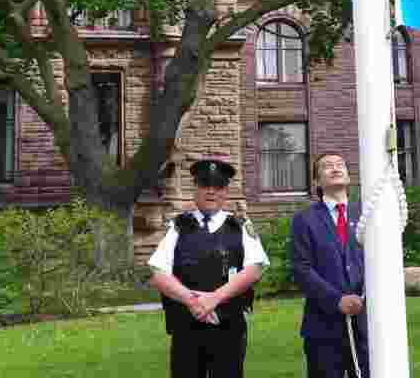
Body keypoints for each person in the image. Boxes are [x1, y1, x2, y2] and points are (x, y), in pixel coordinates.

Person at [148, 159, 269, 378]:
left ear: (226, 191)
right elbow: (158, 272)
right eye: (205, 185)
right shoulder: (178, 226)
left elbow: (255, 269)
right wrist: (192, 301)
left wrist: (214, 298)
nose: (211, 191)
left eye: (218, 186)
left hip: (228, 327)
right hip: (186, 326)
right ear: (195, 188)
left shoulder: (240, 225)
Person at [290, 153, 369, 378]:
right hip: (323, 327)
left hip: (367, 324)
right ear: (316, 181)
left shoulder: (368, 215)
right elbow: (301, 268)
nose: (335, 169)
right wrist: (336, 300)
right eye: (327, 166)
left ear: (349, 176)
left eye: (340, 165)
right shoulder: (304, 220)